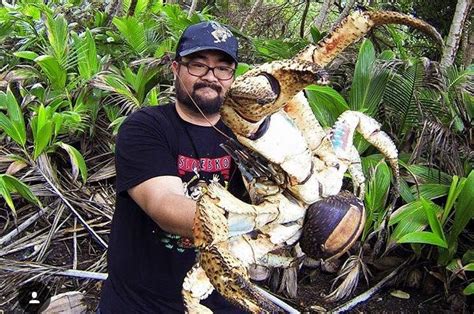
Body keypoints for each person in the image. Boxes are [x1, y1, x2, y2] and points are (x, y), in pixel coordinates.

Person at [99, 21, 248, 313]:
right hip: (140, 304)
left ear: (232, 77)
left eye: (222, 68)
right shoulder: (146, 127)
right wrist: (271, 221)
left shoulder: (248, 137)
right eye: (198, 65)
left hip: (224, 300)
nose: (211, 77)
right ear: (176, 69)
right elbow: (165, 207)